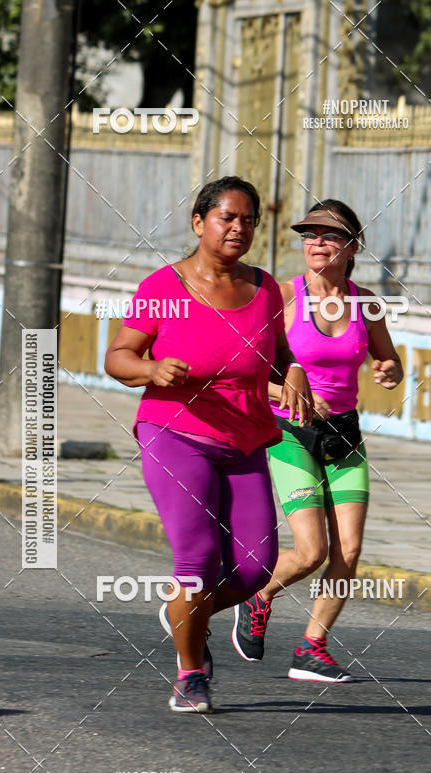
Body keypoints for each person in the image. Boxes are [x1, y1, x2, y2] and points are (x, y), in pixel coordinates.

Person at [105, 176, 313, 712]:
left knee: (255, 567)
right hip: (175, 432)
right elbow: (118, 357)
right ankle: (190, 672)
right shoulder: (164, 288)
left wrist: (293, 373)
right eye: (227, 217)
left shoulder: (266, 289)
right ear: (199, 223)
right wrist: (150, 366)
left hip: (244, 439)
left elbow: (279, 351)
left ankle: (184, 614)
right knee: (196, 561)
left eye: (248, 220)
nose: (238, 228)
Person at [232, 199, 403, 682]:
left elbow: (388, 361)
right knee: (310, 552)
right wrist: (285, 391)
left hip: (343, 435)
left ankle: (312, 647)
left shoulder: (365, 303)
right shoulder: (281, 298)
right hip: (289, 433)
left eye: (329, 236)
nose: (317, 243)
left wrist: (389, 370)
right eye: (309, 235)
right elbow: (241, 374)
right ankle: (259, 596)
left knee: (347, 551)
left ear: (353, 247)